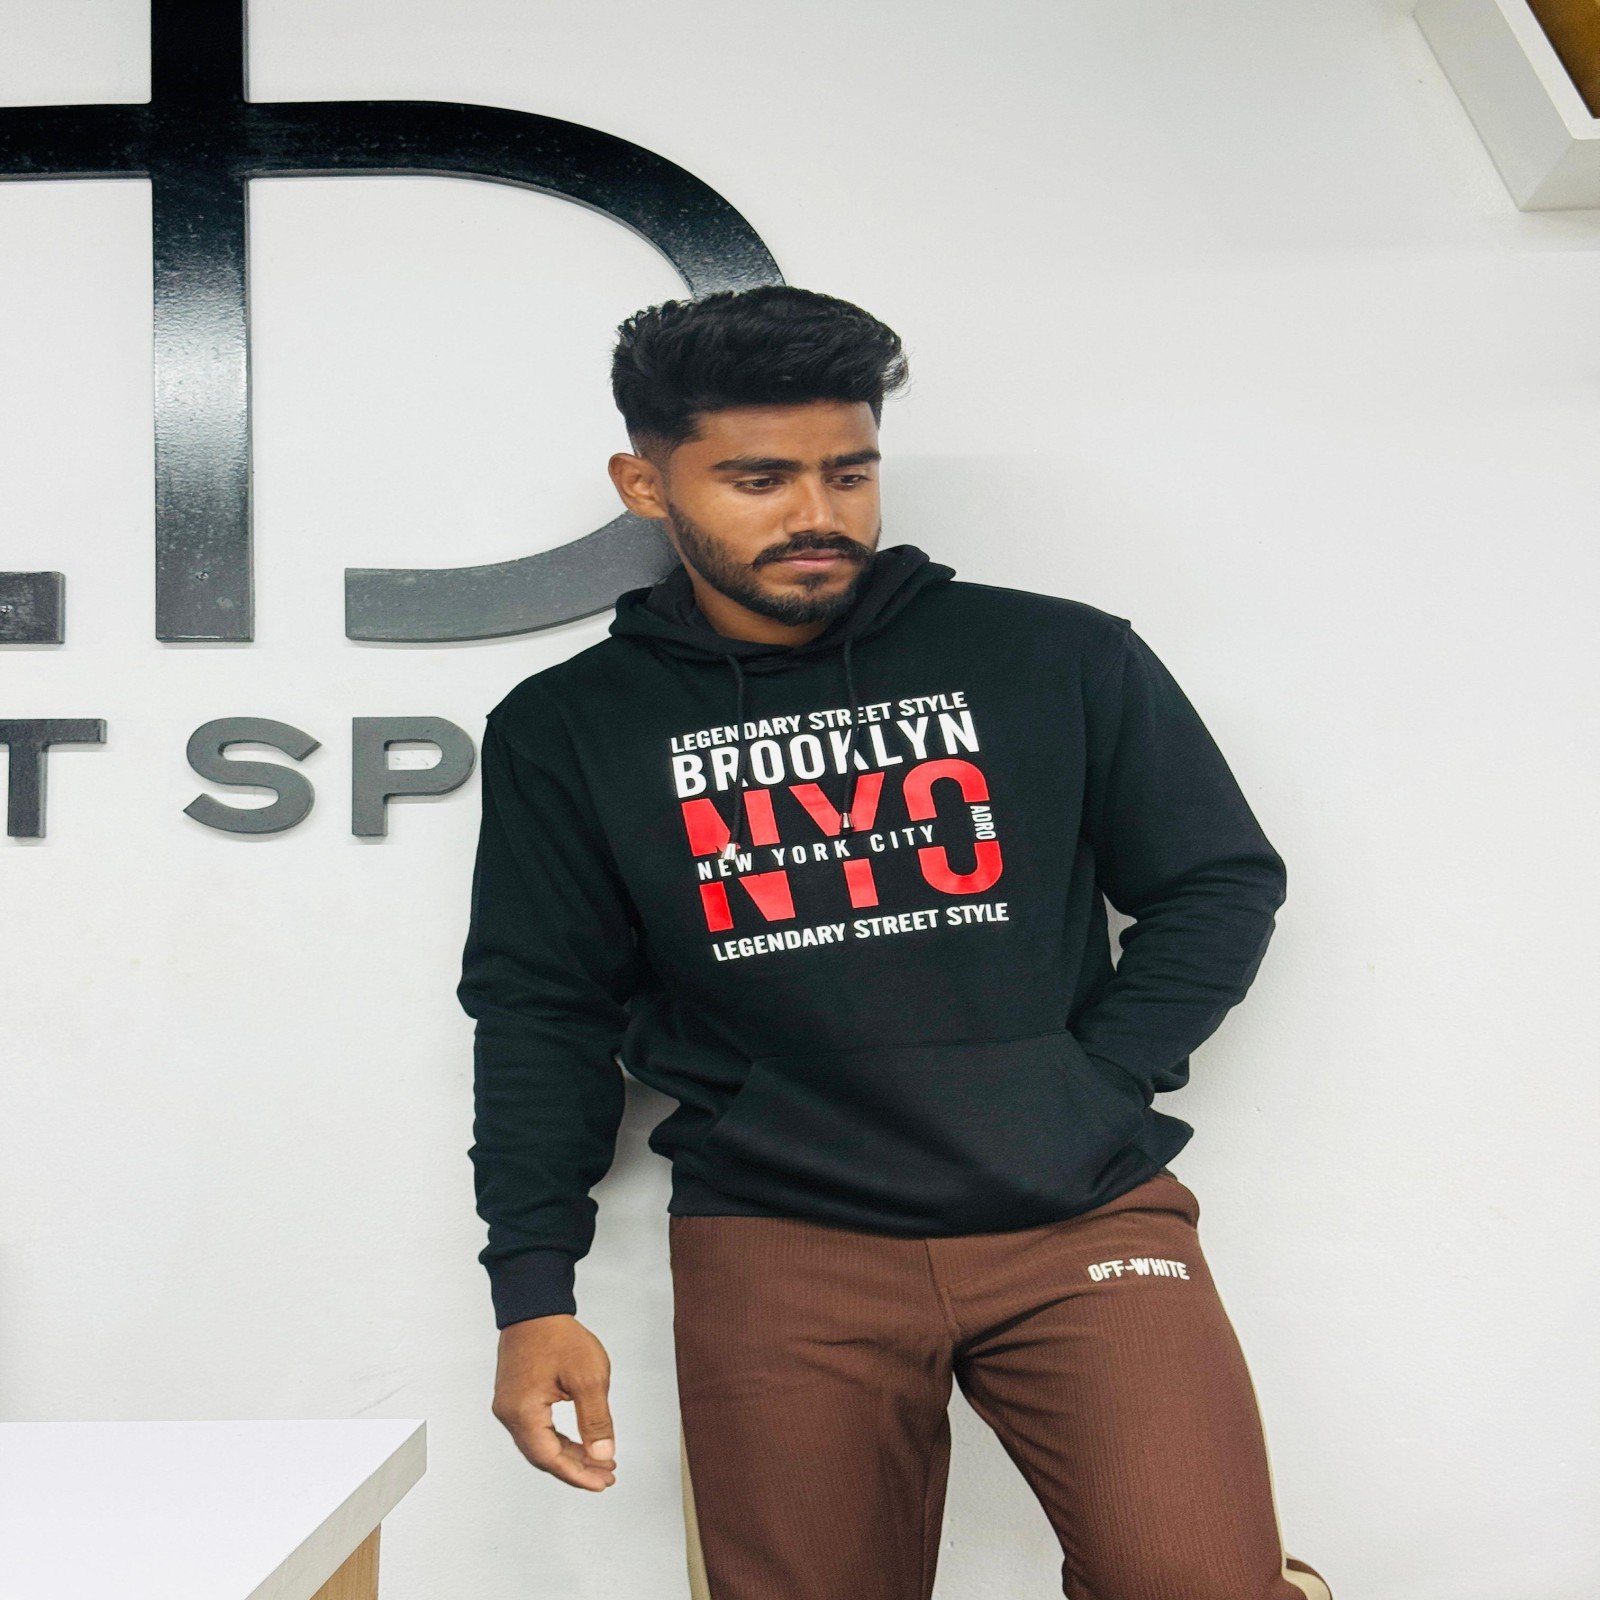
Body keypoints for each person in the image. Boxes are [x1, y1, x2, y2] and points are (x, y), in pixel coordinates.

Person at [457, 284, 1333, 1600]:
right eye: (759, 479)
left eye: (849, 472)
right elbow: (543, 1009)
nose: (817, 514)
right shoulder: (572, 726)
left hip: (1078, 1216)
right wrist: (533, 1288)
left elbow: (1216, 880)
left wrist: (1092, 1081)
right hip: (780, 1237)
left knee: (1201, 1584)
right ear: (646, 485)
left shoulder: (1055, 656)